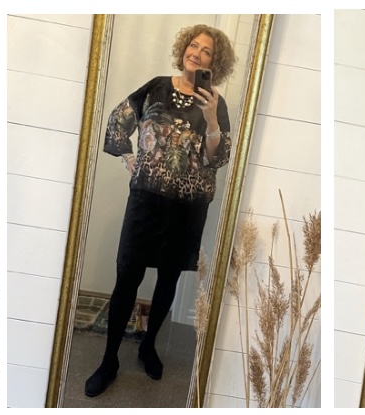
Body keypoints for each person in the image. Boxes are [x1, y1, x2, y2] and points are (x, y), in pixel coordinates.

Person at [84, 24, 235, 397]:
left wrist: (211, 118)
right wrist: (129, 159)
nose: (196, 53)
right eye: (193, 45)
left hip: (187, 209)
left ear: (214, 63)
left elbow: (219, 158)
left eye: (206, 51)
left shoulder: (216, 103)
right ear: (183, 49)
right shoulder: (156, 87)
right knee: (127, 277)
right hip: (146, 203)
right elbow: (118, 120)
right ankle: (109, 360)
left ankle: (148, 346)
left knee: (169, 279)